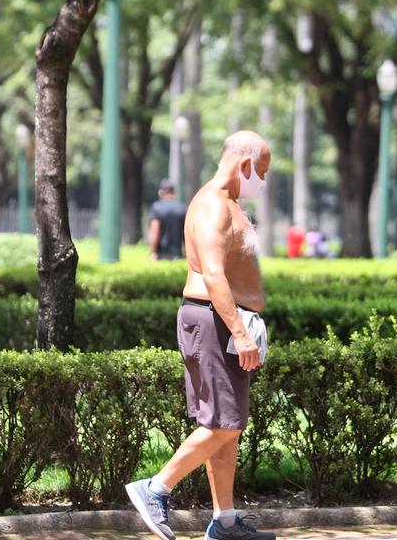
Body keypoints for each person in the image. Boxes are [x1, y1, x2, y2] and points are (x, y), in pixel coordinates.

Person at [126, 131, 276, 540]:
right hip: (214, 320)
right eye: (260, 170)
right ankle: (155, 488)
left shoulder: (228, 204)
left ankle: (225, 521)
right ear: (243, 164)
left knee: (226, 424)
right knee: (224, 424)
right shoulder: (213, 206)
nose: (262, 179)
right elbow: (212, 274)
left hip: (221, 320)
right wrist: (240, 333)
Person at [149, 178, 187, 260]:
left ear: (160, 192)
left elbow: (155, 231)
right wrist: (186, 253)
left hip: (161, 256)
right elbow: (186, 234)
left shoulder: (157, 207)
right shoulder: (182, 208)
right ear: (174, 192)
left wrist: (153, 251)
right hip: (178, 255)